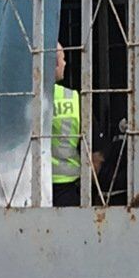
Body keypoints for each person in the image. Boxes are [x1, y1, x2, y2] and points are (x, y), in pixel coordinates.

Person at [51, 43, 82, 207]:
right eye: (62, 59)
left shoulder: (18, 98)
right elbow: (96, 155)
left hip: (24, 186)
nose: (65, 63)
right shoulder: (73, 98)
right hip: (67, 188)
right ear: (54, 64)